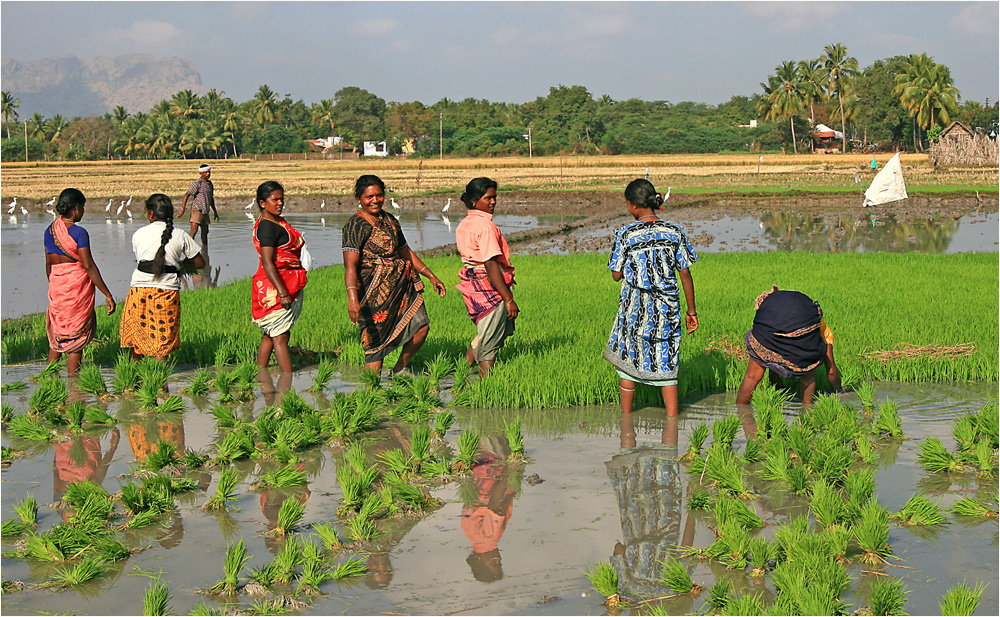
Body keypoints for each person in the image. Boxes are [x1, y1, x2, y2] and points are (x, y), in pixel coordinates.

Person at [605, 179, 698, 417]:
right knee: (667, 358)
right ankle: (672, 421)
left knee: (629, 356)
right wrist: (692, 311)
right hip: (667, 308)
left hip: (634, 308)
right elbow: (685, 273)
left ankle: (627, 422)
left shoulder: (625, 233)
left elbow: (616, 275)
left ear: (632, 206)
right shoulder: (674, 231)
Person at [342, 174, 446, 375]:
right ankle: (371, 395)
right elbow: (350, 267)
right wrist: (352, 299)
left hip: (401, 286)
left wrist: (430, 275)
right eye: (369, 197)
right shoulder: (355, 226)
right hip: (372, 293)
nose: (375, 200)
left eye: (379, 195)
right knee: (375, 346)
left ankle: (399, 370)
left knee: (421, 326)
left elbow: (405, 251)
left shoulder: (389, 220)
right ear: (358, 199)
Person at [120, 194, 205, 361]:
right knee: (162, 342)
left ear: (150, 214)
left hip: (139, 290)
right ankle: (160, 384)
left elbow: (142, 260)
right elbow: (200, 262)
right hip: (166, 292)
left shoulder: (139, 234)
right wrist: (180, 267)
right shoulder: (180, 235)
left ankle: (131, 385)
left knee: (137, 340)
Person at [44, 188, 117, 374]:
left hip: (57, 286)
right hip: (75, 289)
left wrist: (55, 285)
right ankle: (74, 385)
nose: (83, 212)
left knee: (59, 335)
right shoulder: (79, 233)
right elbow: (88, 265)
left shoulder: (49, 230)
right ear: (76, 208)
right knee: (75, 340)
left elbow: (48, 263)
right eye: (82, 208)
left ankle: (49, 377)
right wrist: (107, 294)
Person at [455, 177, 518, 377]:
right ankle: (486, 388)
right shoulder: (486, 227)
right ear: (474, 201)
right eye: (488, 198)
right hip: (488, 285)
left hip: (473, 284)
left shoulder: (465, 223)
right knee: (489, 342)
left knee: (484, 334)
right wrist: (508, 299)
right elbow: (491, 264)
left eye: (494, 198)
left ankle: (460, 377)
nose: (493, 202)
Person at [735, 287, 828, 405]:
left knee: (752, 377)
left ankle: (741, 411)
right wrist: (838, 389)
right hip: (805, 347)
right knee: (809, 373)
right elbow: (831, 368)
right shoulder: (803, 305)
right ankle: (807, 411)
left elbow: (761, 325)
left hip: (769, 342)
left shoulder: (771, 306)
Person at [251, 181, 307, 373]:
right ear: (262, 203)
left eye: (282, 199)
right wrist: (282, 292)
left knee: (271, 333)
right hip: (275, 287)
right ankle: (286, 382)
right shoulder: (267, 227)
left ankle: (261, 374)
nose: (280, 203)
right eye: (275, 199)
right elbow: (268, 262)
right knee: (280, 336)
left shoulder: (277, 222)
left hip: (285, 282)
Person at [178, 163, 218, 261]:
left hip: (205, 211)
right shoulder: (197, 183)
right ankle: (188, 253)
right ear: (201, 174)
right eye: (205, 172)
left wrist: (215, 211)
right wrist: (182, 209)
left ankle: (205, 252)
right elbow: (187, 195)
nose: (208, 174)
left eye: (209, 172)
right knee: (193, 231)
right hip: (197, 210)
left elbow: (211, 198)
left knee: (205, 232)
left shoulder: (209, 184)